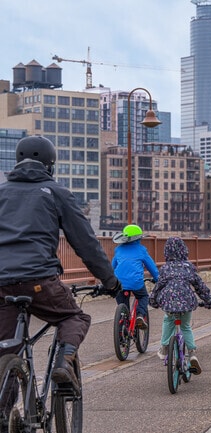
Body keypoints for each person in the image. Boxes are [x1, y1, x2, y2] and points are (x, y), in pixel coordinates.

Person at [0, 135, 121, 391]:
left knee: (7, 350)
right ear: (50, 164)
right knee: (73, 317)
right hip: (39, 280)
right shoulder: (56, 192)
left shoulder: (1, 193)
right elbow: (85, 243)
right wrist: (110, 282)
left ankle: (4, 414)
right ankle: (63, 363)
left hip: (1, 284)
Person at [150, 237, 211, 374]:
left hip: (169, 302)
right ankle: (192, 354)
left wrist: (153, 300)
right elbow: (200, 287)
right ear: (184, 250)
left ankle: (164, 346)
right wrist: (209, 300)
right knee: (185, 326)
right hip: (186, 302)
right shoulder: (189, 267)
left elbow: (158, 287)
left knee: (168, 320)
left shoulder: (165, 268)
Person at [111, 224, 159, 329]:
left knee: (123, 310)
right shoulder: (141, 250)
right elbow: (151, 267)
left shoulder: (118, 250)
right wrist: (157, 279)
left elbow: (112, 266)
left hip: (119, 283)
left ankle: (122, 328)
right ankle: (140, 315)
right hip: (136, 282)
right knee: (143, 296)